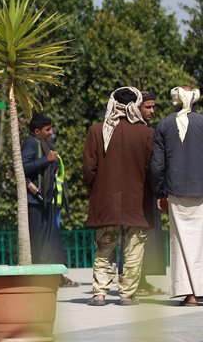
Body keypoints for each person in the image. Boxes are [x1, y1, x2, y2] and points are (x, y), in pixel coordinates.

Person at [82, 87, 154, 306]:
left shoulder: (96, 131)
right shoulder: (146, 133)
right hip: (137, 200)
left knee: (104, 246)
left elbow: (88, 169)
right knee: (134, 248)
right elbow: (153, 168)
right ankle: (127, 295)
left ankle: (100, 293)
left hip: (105, 199)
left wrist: (94, 190)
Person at [151, 86, 203, 307]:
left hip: (176, 191)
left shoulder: (163, 124)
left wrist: (159, 192)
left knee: (181, 241)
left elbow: (157, 165)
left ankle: (189, 294)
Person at [21, 114, 78, 288]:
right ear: (37, 131)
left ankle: (57, 276)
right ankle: (42, 279)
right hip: (34, 202)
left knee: (52, 242)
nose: (50, 132)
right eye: (47, 129)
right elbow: (23, 166)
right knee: (39, 243)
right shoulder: (31, 143)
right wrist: (46, 160)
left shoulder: (45, 144)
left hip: (46, 201)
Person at [136, 91, 165, 296]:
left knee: (148, 238)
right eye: (148, 107)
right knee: (135, 239)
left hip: (150, 191)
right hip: (137, 193)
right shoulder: (133, 131)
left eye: (153, 107)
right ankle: (135, 283)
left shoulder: (150, 130)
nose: (152, 111)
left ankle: (142, 281)